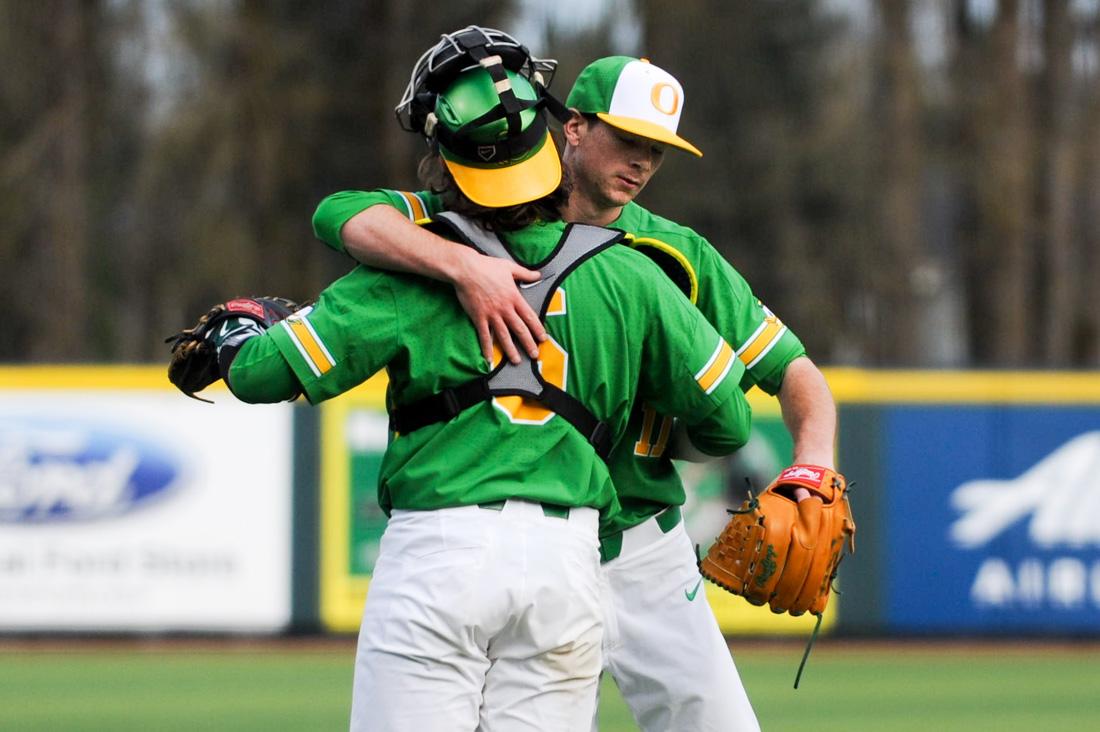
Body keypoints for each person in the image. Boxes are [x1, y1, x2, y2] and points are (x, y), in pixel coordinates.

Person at [206, 43, 754, 732]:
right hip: (566, 560)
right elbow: (729, 423)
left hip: (441, 553)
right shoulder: (633, 274)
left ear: (448, 162)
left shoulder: (407, 267)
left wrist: (237, 343)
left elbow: (259, 375)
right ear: (556, 145)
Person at [313, 40, 837, 732]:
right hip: (537, 541)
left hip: (642, 540)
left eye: (658, 150)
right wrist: (459, 266)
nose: (643, 162)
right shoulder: (485, 202)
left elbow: (796, 373)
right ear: (576, 128)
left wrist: (813, 463)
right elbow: (341, 214)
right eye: (628, 140)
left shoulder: (676, 251)